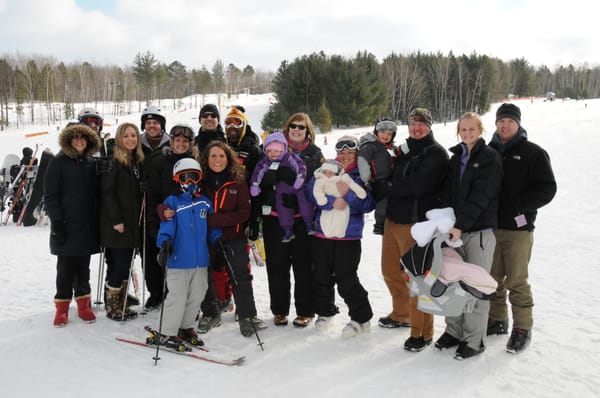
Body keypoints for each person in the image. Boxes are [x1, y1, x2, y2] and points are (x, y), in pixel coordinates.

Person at [487, 103, 556, 354]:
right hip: (491, 227)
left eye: (510, 121)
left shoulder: (533, 152)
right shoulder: (488, 151)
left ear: (518, 124)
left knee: (516, 280)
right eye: (500, 121)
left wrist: (521, 206)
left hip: (518, 229)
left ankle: (522, 329)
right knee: (492, 279)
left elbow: (548, 188)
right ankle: (497, 320)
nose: (505, 125)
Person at [434, 112, 503, 359]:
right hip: (454, 231)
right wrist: (443, 219)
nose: (467, 133)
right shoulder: (456, 158)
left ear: (480, 130)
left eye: (472, 129)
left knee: (475, 286)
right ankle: (454, 331)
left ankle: (474, 340)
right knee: (451, 282)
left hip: (478, 233)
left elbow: (481, 197)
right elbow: (448, 193)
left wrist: (460, 225)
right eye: (463, 130)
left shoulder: (490, 158)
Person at [380, 107, 449, 352]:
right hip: (393, 220)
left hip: (415, 225)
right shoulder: (404, 151)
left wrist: (387, 185)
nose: (417, 128)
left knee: (417, 280)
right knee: (389, 271)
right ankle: (401, 313)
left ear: (429, 126)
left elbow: (418, 185)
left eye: (422, 124)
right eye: (412, 123)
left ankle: (423, 332)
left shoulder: (436, 153)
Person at [249, 113, 323, 327]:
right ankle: (279, 310)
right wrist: (271, 181)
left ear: (308, 131)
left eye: (302, 127)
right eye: (293, 125)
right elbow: (257, 177)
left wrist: (301, 186)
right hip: (273, 217)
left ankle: (305, 310)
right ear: (287, 128)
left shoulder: (314, 154)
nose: (297, 129)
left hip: (301, 219)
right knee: (277, 265)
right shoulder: (272, 148)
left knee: (303, 265)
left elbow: (320, 183)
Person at [306, 135, 375, 337]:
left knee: (346, 277)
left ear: (356, 154)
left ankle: (361, 318)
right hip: (323, 234)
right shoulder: (326, 170)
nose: (345, 156)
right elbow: (311, 191)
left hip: (348, 236)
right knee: (321, 275)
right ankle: (325, 313)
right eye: (341, 153)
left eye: (349, 152)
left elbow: (368, 203)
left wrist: (348, 195)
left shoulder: (360, 175)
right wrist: (329, 203)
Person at [150, 158, 222, 350]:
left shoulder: (204, 203)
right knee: (177, 297)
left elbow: (212, 227)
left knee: (197, 295)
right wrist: (164, 244)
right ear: (177, 179)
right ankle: (166, 332)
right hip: (179, 260)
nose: (190, 182)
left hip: (201, 261)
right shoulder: (172, 203)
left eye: (194, 177)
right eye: (184, 177)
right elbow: (166, 227)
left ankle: (186, 327)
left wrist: (218, 241)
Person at [199, 141, 267, 337]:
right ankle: (210, 313)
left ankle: (248, 315)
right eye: (213, 156)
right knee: (206, 274)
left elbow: (243, 212)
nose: (217, 160)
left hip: (233, 236)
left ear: (228, 158)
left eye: (222, 156)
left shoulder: (237, 180)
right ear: (206, 159)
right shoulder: (201, 181)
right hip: (206, 238)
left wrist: (214, 220)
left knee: (240, 275)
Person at [44, 124, 103, 327]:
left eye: (83, 138)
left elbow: (97, 193)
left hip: (86, 226)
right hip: (66, 226)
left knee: (83, 268)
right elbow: (50, 195)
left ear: (88, 141)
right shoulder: (58, 162)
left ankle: (83, 305)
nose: (79, 141)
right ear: (69, 140)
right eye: (75, 138)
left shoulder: (90, 163)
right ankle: (61, 309)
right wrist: (57, 222)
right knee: (65, 270)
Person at [100, 122, 145, 321]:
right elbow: (107, 193)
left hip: (131, 222)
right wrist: (116, 219)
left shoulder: (135, 161)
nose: (130, 139)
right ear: (119, 138)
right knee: (119, 264)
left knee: (126, 263)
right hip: (117, 224)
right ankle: (112, 304)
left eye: (133, 135)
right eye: (126, 136)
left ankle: (122, 301)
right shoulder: (114, 162)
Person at [250, 132, 315, 242]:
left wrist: (300, 177)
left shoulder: (289, 156)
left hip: (296, 185)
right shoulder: (265, 161)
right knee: (282, 207)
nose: (273, 154)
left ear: (283, 149)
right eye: (269, 151)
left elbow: (300, 165)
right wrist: (255, 185)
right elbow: (258, 173)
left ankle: (309, 223)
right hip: (281, 189)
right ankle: (287, 230)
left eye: (276, 151)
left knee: (303, 200)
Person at [139, 105, 170, 310]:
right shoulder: (136, 145)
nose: (151, 126)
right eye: (148, 123)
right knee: (148, 254)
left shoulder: (170, 145)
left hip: (165, 206)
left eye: (155, 123)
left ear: (161, 126)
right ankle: (155, 292)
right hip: (142, 206)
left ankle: (171, 291)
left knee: (167, 250)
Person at [358, 118, 396, 235]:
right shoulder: (370, 146)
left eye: (389, 134)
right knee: (383, 201)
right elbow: (362, 161)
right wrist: (367, 179)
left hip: (390, 180)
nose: (386, 135)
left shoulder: (390, 147)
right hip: (377, 181)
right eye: (383, 132)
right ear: (376, 132)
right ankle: (379, 224)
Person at [312, 159, 367, 238]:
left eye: (330, 173)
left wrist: (357, 192)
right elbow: (317, 191)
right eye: (324, 172)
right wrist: (322, 199)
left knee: (341, 219)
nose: (327, 175)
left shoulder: (343, 178)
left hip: (344, 204)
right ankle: (328, 232)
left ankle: (339, 233)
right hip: (328, 207)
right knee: (326, 218)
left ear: (336, 173)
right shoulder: (320, 180)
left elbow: (352, 184)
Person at [223, 106, 262, 183]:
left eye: (237, 122)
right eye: (228, 122)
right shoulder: (222, 146)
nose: (232, 126)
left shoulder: (252, 149)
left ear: (244, 125)